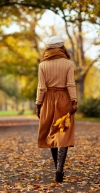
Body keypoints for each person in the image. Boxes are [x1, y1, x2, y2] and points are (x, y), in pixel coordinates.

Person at [35, 36, 78, 183]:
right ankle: (60, 169)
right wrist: (74, 101)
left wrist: (38, 104)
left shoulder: (42, 65)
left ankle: (56, 168)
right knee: (63, 133)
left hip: (48, 100)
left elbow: (41, 88)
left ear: (48, 48)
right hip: (64, 99)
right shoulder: (68, 63)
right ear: (62, 48)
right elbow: (71, 84)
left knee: (51, 133)